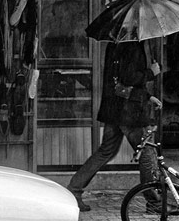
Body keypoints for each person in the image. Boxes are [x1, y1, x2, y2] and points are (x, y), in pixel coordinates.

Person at [67, 41, 162, 212]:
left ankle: (74, 190)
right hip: (130, 113)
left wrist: (147, 96)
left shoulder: (115, 44)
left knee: (105, 151)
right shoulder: (133, 45)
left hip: (115, 108)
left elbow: (121, 80)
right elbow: (129, 77)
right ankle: (155, 203)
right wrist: (151, 72)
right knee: (147, 153)